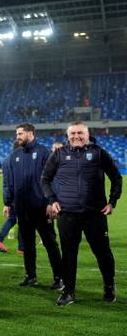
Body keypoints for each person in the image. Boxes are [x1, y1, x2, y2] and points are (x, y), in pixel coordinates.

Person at [41, 121, 122, 306]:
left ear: (87, 134)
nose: (76, 136)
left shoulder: (99, 152)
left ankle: (109, 287)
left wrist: (112, 201)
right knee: (68, 255)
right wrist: (52, 200)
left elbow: (116, 177)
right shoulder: (59, 154)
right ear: (67, 136)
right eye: (73, 133)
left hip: (95, 214)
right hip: (67, 214)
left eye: (80, 133)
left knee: (103, 253)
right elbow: (45, 179)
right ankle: (68, 292)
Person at [3, 123, 63, 290]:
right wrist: (8, 203)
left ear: (30, 134)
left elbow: (53, 178)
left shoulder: (44, 152)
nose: (17, 137)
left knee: (50, 243)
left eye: (20, 133)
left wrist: (51, 202)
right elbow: (10, 182)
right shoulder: (15, 156)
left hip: (41, 208)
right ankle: (31, 276)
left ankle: (59, 277)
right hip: (22, 209)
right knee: (27, 244)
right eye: (17, 134)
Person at [0, 141, 24, 253]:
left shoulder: (7, 160)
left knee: (12, 218)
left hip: (11, 196)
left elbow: (6, 183)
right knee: (23, 221)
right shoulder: (22, 159)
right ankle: (22, 248)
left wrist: (7, 202)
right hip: (21, 195)